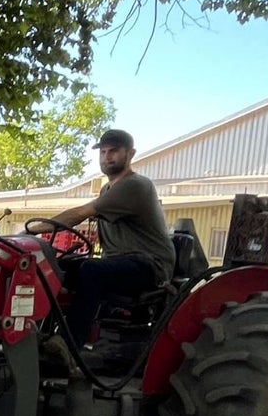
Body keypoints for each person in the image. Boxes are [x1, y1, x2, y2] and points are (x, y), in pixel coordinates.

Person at [47, 128, 175, 348]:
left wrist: (35, 230)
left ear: (130, 154)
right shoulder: (107, 189)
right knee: (55, 267)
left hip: (150, 265)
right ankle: (44, 337)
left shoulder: (136, 185)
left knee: (91, 271)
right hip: (120, 262)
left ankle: (70, 347)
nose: (107, 157)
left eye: (113, 151)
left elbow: (80, 214)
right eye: (103, 152)